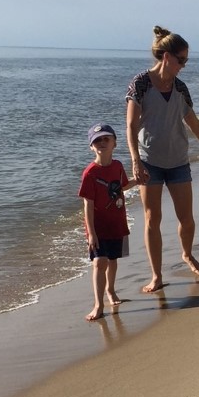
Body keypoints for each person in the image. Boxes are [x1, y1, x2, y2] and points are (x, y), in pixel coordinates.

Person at [126, 26, 199, 294]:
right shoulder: (141, 83)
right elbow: (131, 126)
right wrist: (135, 160)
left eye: (186, 61)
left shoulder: (181, 88)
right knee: (152, 219)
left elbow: (194, 124)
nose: (183, 65)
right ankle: (156, 275)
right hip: (150, 162)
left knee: (187, 218)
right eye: (181, 60)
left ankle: (187, 254)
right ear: (166, 56)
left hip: (179, 161)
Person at [78, 123, 135, 321]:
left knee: (113, 260)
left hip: (116, 222)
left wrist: (140, 180)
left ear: (114, 143)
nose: (102, 142)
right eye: (97, 140)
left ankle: (111, 290)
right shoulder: (90, 173)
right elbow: (87, 205)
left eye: (106, 139)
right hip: (98, 226)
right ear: (91, 147)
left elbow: (122, 187)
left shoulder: (118, 166)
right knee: (99, 262)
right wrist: (91, 233)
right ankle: (98, 304)